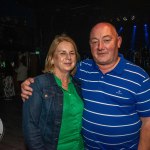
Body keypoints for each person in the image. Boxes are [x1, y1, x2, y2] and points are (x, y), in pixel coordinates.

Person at [21, 22, 150, 150]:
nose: (100, 47)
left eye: (106, 40)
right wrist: (30, 83)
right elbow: (57, 73)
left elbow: (148, 123)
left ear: (118, 42)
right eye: (94, 41)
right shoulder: (83, 69)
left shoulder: (139, 77)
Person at [22, 34, 84, 150]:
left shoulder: (78, 85)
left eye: (72, 53)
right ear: (52, 58)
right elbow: (30, 129)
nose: (68, 57)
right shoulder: (38, 85)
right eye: (62, 53)